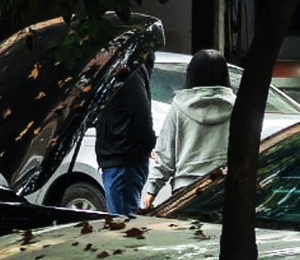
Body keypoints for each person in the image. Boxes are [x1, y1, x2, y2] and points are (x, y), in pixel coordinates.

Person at [141, 49, 236, 208]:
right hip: (224, 186)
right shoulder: (237, 106)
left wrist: (152, 190)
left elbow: (165, 153)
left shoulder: (179, 105)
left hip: (185, 190)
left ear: (192, 73)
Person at [94, 49, 157, 216]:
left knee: (123, 224)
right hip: (121, 156)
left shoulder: (129, 72)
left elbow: (140, 111)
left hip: (122, 157)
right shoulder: (128, 71)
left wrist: (148, 143)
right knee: (123, 220)